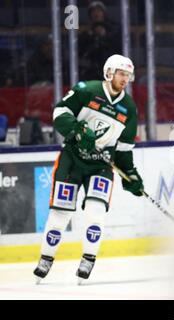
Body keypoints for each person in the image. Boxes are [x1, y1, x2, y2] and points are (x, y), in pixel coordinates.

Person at [33, 54, 144, 284]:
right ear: (109, 72)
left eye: (128, 75)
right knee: (60, 213)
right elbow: (60, 112)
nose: (125, 79)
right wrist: (77, 131)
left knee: (96, 211)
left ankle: (88, 259)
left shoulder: (129, 108)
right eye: (121, 73)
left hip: (101, 166)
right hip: (72, 160)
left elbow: (123, 148)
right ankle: (46, 258)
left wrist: (130, 174)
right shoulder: (87, 91)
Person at [79, 1, 120, 80]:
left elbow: (117, 47)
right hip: (92, 72)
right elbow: (81, 52)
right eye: (93, 11)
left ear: (103, 13)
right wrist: (89, 36)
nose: (96, 13)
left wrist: (104, 35)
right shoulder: (86, 33)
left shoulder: (113, 29)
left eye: (98, 10)